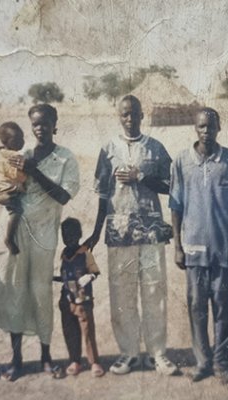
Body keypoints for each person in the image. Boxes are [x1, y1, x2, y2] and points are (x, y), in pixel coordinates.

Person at [85, 95, 177, 376]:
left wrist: (141, 178)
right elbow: (102, 194)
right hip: (119, 231)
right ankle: (128, 352)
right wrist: (96, 231)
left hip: (150, 231)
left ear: (141, 115)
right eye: (124, 114)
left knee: (154, 291)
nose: (129, 119)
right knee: (121, 294)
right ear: (119, 116)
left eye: (134, 114)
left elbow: (170, 185)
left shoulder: (155, 148)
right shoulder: (108, 149)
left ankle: (157, 353)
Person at [0, 104, 79, 381]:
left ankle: (46, 357)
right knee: (15, 292)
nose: (39, 128)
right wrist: (3, 196)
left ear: (54, 123)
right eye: (35, 124)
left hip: (44, 236)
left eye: (45, 123)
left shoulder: (66, 158)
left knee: (41, 295)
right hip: (16, 233)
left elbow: (64, 197)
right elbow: (1, 187)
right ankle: (16, 359)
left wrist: (35, 171)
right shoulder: (21, 153)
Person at [169, 107, 228, 384]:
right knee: (196, 307)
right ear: (195, 127)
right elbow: (176, 206)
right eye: (202, 127)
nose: (207, 132)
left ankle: (221, 363)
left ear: (219, 127)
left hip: (223, 249)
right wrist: (178, 246)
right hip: (193, 250)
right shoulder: (182, 161)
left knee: (223, 306)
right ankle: (202, 361)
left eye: (211, 126)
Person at [54, 217, 104, 378]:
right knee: (70, 330)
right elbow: (65, 277)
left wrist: (89, 277)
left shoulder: (85, 254)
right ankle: (74, 360)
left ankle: (94, 361)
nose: (68, 238)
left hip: (83, 299)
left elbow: (95, 272)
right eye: (65, 235)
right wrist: (52, 278)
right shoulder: (63, 255)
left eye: (72, 234)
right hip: (67, 299)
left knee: (87, 330)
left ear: (80, 234)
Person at [0, 121, 26, 255]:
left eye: (22, 138)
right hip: (7, 192)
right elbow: (19, 176)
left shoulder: (1, 152)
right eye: (18, 139)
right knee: (17, 210)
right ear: (7, 141)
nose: (22, 142)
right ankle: (9, 239)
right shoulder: (15, 157)